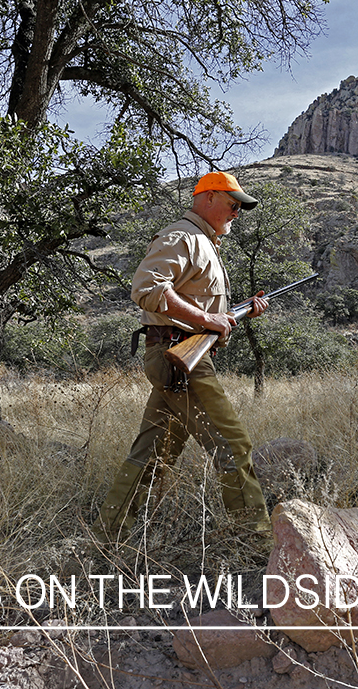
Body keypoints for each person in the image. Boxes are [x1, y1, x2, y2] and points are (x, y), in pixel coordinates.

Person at [91, 171, 272, 548]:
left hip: (179, 355)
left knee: (153, 453)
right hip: (180, 357)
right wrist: (209, 320)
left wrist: (239, 313)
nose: (237, 212)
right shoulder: (183, 237)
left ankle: (109, 538)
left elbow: (199, 308)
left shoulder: (204, 243)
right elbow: (147, 287)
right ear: (207, 197)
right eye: (232, 203)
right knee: (233, 444)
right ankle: (256, 544)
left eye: (240, 206)